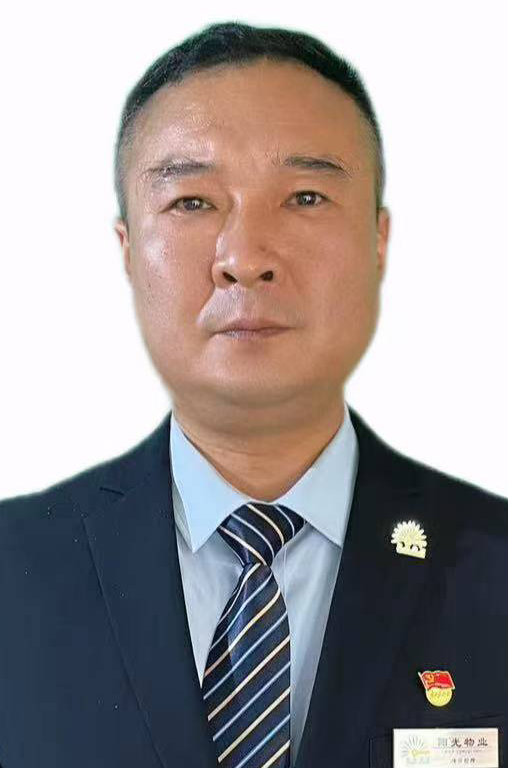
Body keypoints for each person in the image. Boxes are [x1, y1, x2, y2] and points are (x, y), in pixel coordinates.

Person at [0, 20, 507, 768]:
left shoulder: (495, 566)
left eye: (305, 196)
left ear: (378, 241)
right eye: (192, 203)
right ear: (128, 251)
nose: (243, 257)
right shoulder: (13, 571)